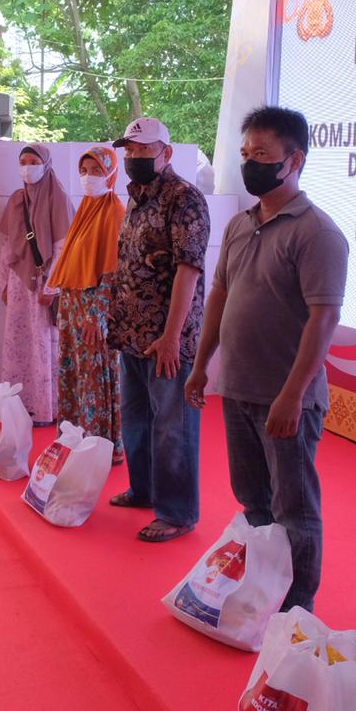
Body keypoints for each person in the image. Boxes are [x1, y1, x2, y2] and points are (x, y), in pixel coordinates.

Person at [187, 106, 346, 609]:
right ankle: (260, 591)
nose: (250, 163)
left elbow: (323, 320)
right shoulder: (238, 225)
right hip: (237, 389)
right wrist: (199, 365)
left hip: (285, 398)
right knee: (253, 501)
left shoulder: (318, 233)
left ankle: (296, 608)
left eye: (262, 155)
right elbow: (218, 297)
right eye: (245, 154)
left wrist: (293, 395)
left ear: (294, 160)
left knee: (294, 508)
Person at [106, 117, 208, 543]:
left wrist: (171, 336)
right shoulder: (136, 196)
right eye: (129, 150)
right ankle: (145, 490)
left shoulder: (183, 198)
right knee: (136, 420)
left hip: (168, 338)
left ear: (166, 153)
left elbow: (189, 271)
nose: (134, 158)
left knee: (173, 425)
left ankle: (177, 512)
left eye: (143, 151)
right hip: (131, 331)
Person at [47, 146, 126, 461]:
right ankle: (75, 438)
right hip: (73, 303)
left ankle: (100, 446)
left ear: (110, 173)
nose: (88, 178)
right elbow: (73, 262)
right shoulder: (85, 210)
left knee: (95, 377)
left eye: (96, 171)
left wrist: (100, 316)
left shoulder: (113, 211)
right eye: (84, 171)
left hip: (94, 309)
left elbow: (112, 270)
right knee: (73, 373)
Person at [0, 143, 72, 425]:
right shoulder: (17, 199)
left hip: (44, 284)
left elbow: (64, 247)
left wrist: (51, 287)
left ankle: (45, 408)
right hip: (19, 283)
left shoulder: (58, 198)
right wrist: (4, 281)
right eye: (23, 161)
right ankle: (21, 404)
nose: (28, 167)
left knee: (44, 345)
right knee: (18, 343)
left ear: (47, 164)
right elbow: (7, 246)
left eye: (34, 161)